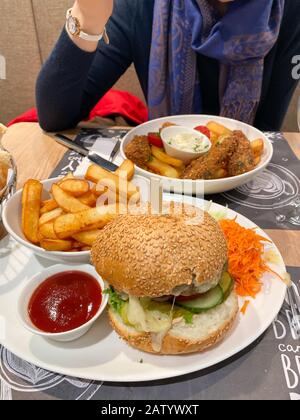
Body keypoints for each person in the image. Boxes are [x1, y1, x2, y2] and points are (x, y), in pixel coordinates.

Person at [36, 0, 300, 132]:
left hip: (245, 188)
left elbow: (267, 136)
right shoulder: (143, 5)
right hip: (160, 183)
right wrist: (87, 18)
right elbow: (54, 117)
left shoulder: (290, 10)